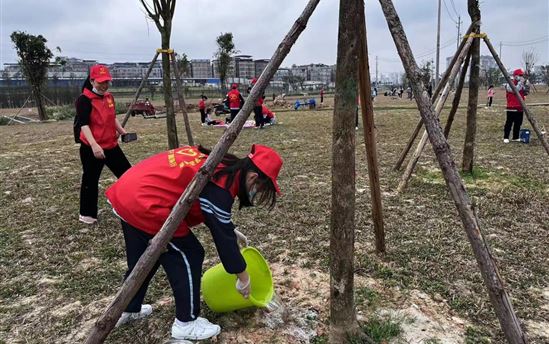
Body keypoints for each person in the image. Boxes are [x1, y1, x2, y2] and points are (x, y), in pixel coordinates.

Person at [105, 144, 282, 340]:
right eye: (259, 189)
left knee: (145, 258)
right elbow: (225, 243)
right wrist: (243, 278)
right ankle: (186, 323)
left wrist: (230, 229)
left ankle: (129, 307)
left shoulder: (223, 163)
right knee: (190, 253)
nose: (255, 193)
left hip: (128, 191)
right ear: (253, 177)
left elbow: (215, 217)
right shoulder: (221, 186)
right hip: (147, 202)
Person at [75, 64, 131, 225]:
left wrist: (122, 132)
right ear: (92, 81)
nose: (104, 85)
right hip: (92, 148)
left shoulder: (109, 97)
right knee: (90, 180)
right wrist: (94, 145)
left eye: (106, 81)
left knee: (127, 174)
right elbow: (83, 124)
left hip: (111, 145)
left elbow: (112, 117)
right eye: (100, 82)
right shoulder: (83, 100)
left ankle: (126, 203)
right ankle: (87, 213)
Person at [503, 69, 530, 143]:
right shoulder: (510, 83)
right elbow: (515, 90)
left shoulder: (522, 83)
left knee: (518, 123)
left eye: (522, 75)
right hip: (511, 107)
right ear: (515, 76)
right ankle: (506, 137)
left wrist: (526, 84)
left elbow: (526, 92)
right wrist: (521, 82)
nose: (521, 77)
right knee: (509, 123)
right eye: (520, 75)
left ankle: (515, 137)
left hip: (520, 107)